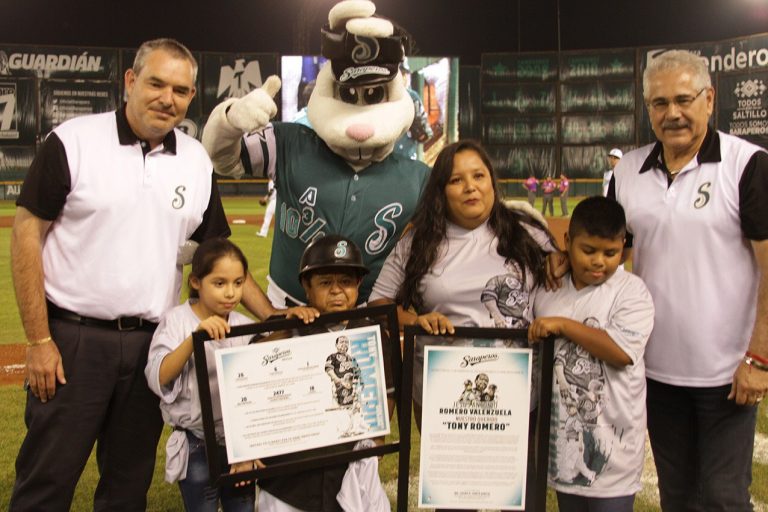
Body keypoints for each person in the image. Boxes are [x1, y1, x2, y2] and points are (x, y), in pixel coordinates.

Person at [7, 38, 237, 512]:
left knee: (127, 488)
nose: (167, 98)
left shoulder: (195, 160)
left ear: (192, 97)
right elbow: (26, 233)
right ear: (130, 81)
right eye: (156, 83)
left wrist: (275, 313)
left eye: (180, 90)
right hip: (73, 342)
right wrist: (37, 340)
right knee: (46, 482)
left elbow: (218, 255)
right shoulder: (74, 140)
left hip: (151, 345)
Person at [609, 49, 768, 510]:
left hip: (728, 374)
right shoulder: (626, 173)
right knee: (677, 498)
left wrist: (759, 357)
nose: (672, 113)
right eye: (659, 103)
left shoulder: (748, 165)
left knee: (723, 498)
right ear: (647, 108)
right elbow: (606, 259)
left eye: (684, 99)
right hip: (655, 371)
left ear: (709, 99)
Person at [529, 196, 654, 512]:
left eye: (611, 253)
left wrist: (563, 325)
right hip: (563, 443)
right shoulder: (548, 288)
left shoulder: (632, 291)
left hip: (614, 450)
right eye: (589, 251)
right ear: (568, 242)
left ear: (622, 245)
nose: (599, 261)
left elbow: (621, 352)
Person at [256, 234, 390, 512]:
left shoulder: (372, 335)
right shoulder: (288, 329)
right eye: (325, 282)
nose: (336, 291)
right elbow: (252, 371)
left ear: (359, 285)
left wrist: (377, 435)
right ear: (306, 286)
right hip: (289, 479)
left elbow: (385, 395)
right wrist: (285, 328)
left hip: (349, 468)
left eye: (346, 282)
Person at [145, 238, 258, 512]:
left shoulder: (246, 326)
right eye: (220, 283)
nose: (231, 293)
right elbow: (160, 375)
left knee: (242, 505)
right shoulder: (177, 321)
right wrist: (194, 340)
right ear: (196, 282)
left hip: (238, 443)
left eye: (238, 283)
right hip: (196, 442)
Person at [394, 59, 433, 161]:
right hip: (406, 157)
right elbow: (424, 133)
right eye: (402, 74)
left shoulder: (375, 98)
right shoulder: (411, 97)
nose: (405, 77)